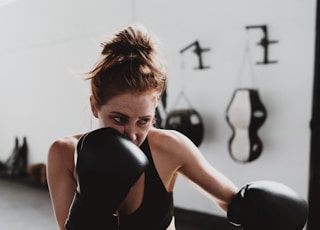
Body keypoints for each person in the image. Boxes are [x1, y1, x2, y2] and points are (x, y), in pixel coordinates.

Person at [47, 24, 308, 230]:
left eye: (144, 121)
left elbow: (234, 202)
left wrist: (262, 210)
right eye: (118, 119)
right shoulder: (64, 153)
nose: (132, 134)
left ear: (155, 110)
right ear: (95, 106)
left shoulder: (170, 147)